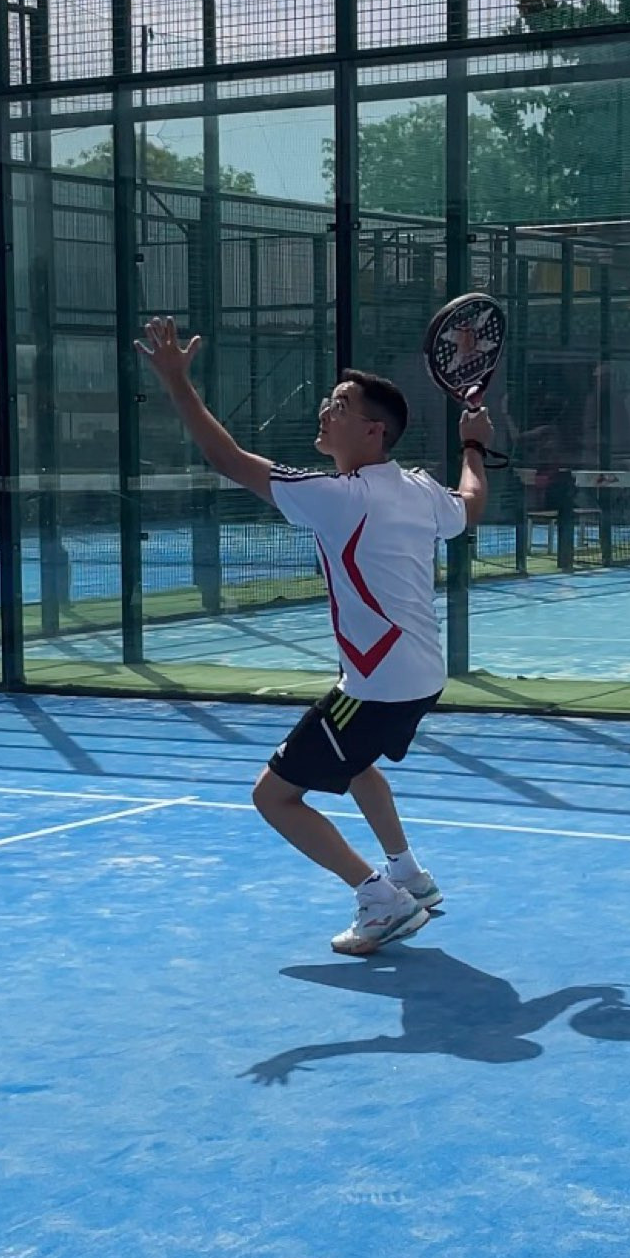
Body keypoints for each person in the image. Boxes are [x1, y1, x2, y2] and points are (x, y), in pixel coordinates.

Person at [135, 316, 490, 954]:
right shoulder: (418, 489)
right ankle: (409, 874)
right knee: (354, 764)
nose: (327, 410)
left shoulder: (339, 496)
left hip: (378, 685)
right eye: (330, 400)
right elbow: (470, 504)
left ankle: (380, 900)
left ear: (374, 431)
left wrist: (176, 381)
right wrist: (473, 446)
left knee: (273, 797)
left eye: (342, 405)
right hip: (420, 677)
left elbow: (226, 460)